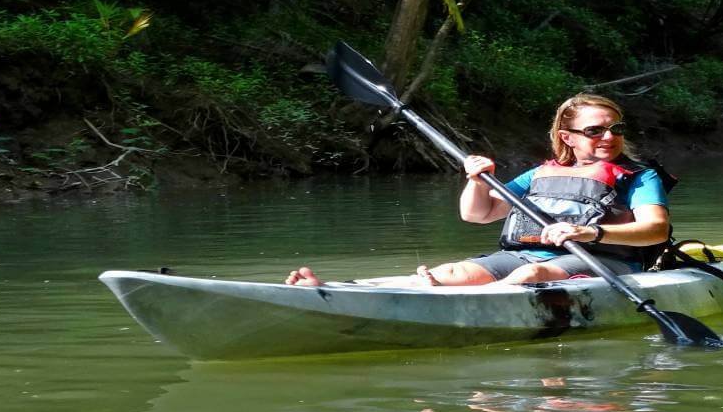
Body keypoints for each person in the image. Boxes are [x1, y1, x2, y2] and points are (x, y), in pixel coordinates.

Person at [286, 94, 672, 287]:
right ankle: (333, 291)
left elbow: (656, 230)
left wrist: (590, 232)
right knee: (445, 273)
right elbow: (478, 214)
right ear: (567, 137)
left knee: (531, 274)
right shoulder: (540, 174)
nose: (608, 137)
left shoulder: (637, 176)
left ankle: (465, 311)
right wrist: (475, 180)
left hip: (604, 263)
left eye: (615, 129)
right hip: (523, 258)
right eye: (595, 131)